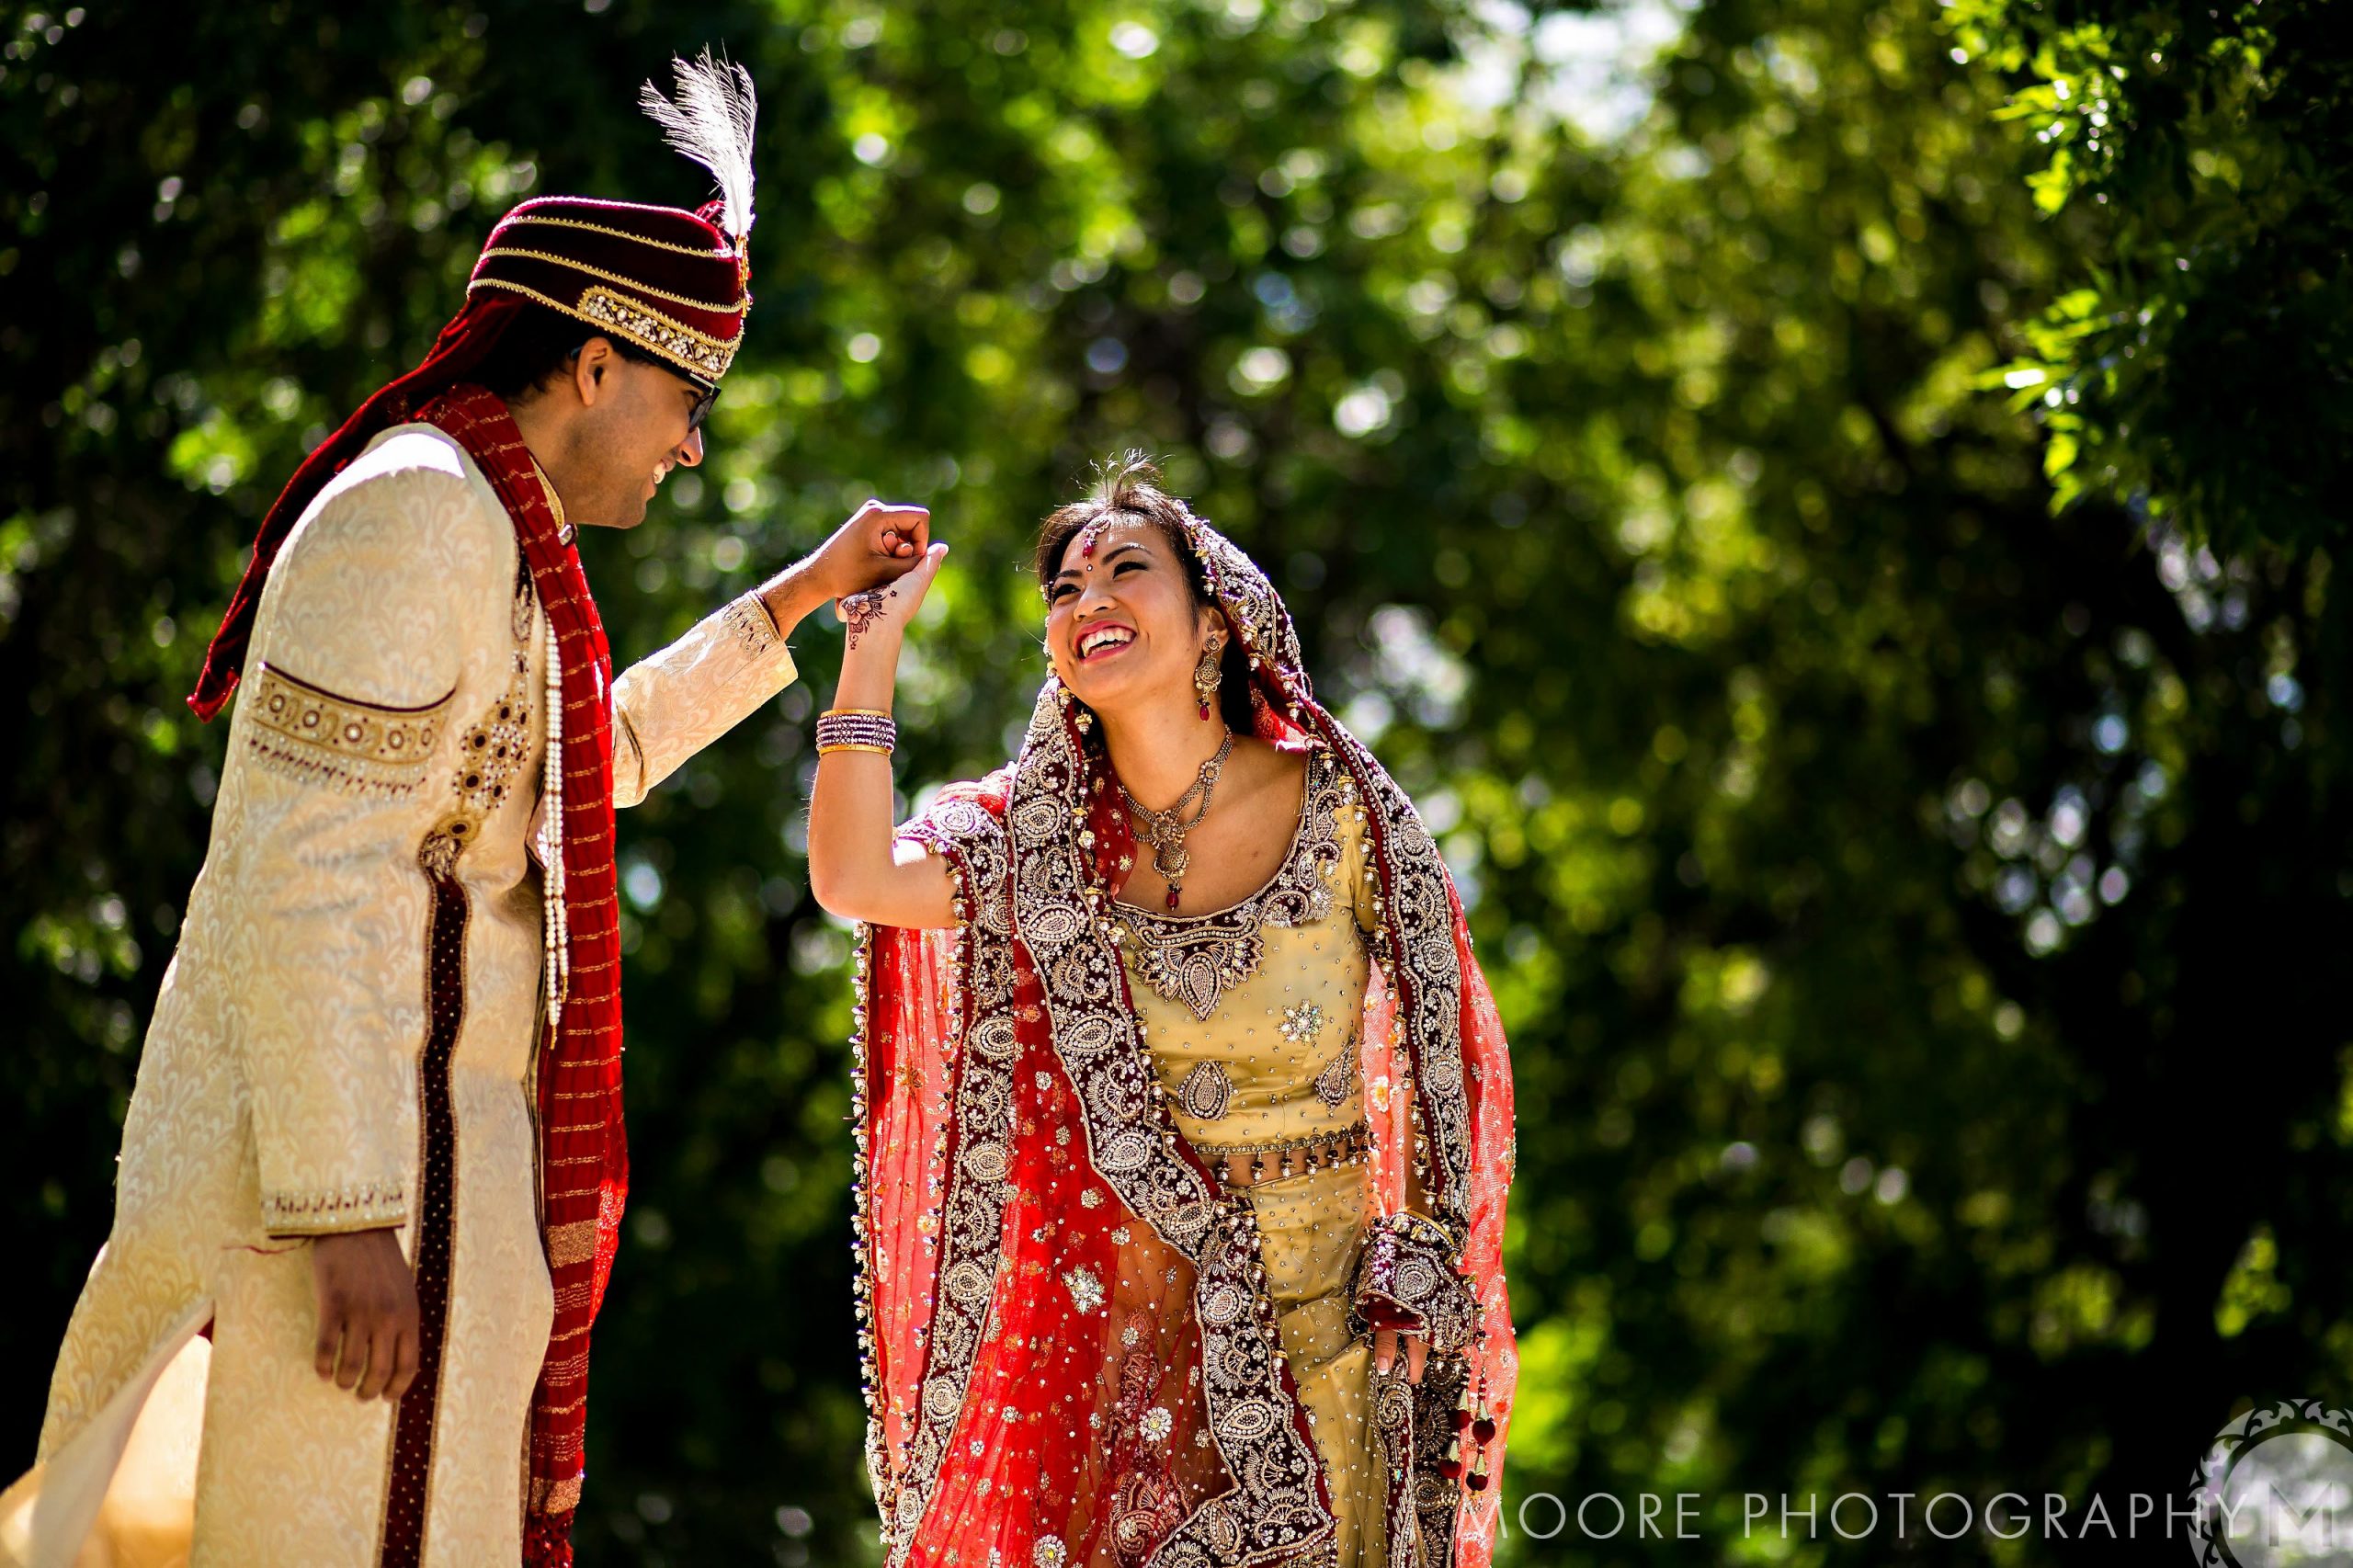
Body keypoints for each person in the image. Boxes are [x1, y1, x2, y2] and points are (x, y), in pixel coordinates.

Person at [0, 51, 929, 1568]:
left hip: (445, 1193)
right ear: (596, 367)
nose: (691, 447)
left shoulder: (492, 532)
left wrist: (804, 600)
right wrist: (346, 1216)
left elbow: (579, 768)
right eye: (688, 403)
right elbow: (309, 874)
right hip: (338, 1214)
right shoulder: (419, 510)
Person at [808, 456, 1518, 1568]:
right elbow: (854, 878)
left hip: (1338, 1333)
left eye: (1124, 570)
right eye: (1062, 590)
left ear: (1214, 623)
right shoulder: (1036, 841)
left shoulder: (1338, 804)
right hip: (1126, 1355)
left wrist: (1423, 1257)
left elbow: (1452, 1048)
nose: (1087, 601)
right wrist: (871, 641)